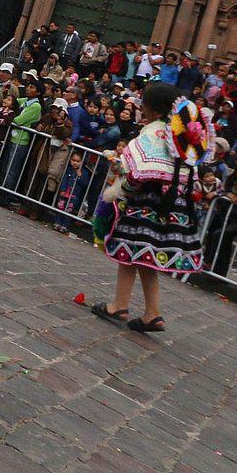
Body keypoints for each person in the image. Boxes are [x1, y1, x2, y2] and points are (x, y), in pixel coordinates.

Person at [91, 82, 213, 332]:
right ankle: (152, 313)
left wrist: (120, 182)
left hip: (147, 205)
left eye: (144, 104)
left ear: (153, 109)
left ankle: (119, 305)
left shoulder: (151, 134)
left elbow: (136, 175)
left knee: (128, 254)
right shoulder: (181, 136)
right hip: (175, 206)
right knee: (145, 257)